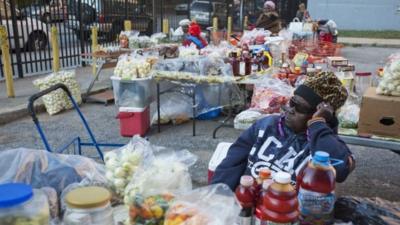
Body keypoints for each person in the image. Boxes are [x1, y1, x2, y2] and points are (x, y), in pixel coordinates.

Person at [211, 72, 355, 191]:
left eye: (299, 107)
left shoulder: (324, 143)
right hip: (247, 203)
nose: (290, 110)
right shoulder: (266, 125)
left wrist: (317, 125)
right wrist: (218, 196)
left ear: (319, 115)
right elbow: (232, 163)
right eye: (292, 102)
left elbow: (340, 170)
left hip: (285, 213)